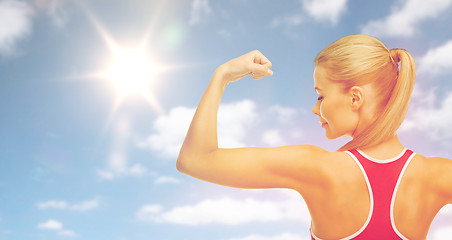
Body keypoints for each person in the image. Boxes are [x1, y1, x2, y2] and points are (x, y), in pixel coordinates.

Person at [176, 34, 452, 240]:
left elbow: (195, 159)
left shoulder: (317, 167)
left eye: (321, 95)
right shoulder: (437, 175)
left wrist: (222, 75)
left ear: (355, 97)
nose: (315, 108)